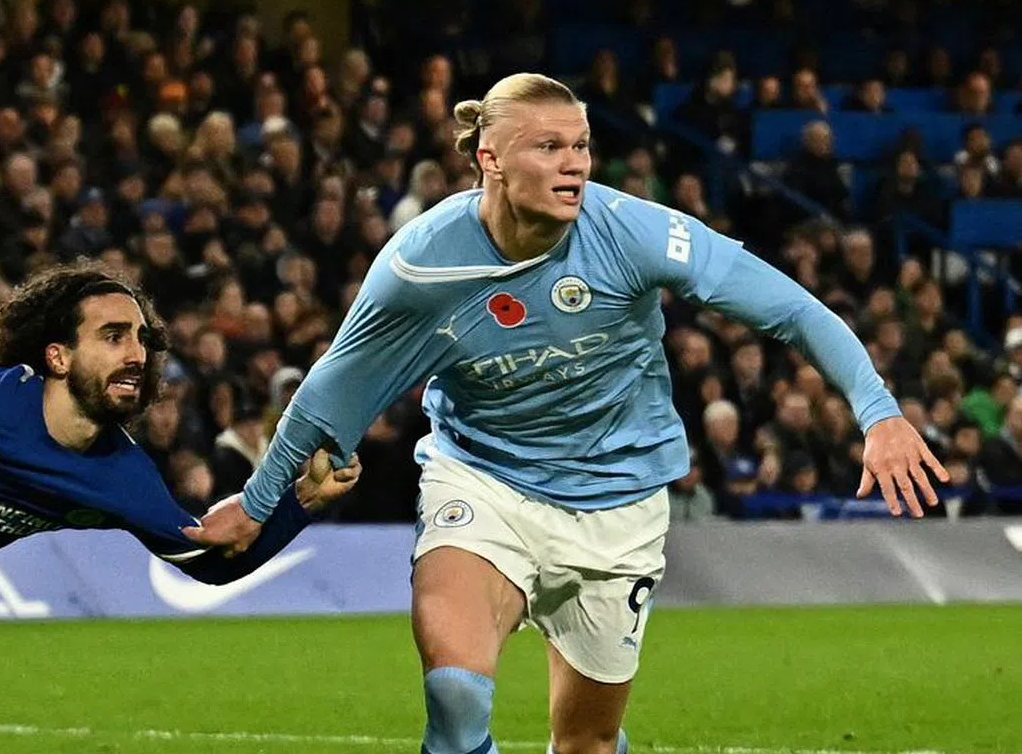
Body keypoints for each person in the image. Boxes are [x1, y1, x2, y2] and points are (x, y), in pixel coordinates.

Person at [186, 74, 947, 754]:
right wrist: (257, 504)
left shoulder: (632, 232)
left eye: (581, 144)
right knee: (454, 699)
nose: (576, 163)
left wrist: (878, 413)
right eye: (548, 147)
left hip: (619, 506)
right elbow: (331, 393)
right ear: (489, 160)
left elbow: (790, 308)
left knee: (584, 739)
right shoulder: (422, 267)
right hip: (483, 484)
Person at [0, 264, 360, 622]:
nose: (136, 354)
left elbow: (212, 563)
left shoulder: (121, 476)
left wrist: (303, 500)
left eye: (142, 339)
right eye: (113, 337)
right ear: (59, 357)